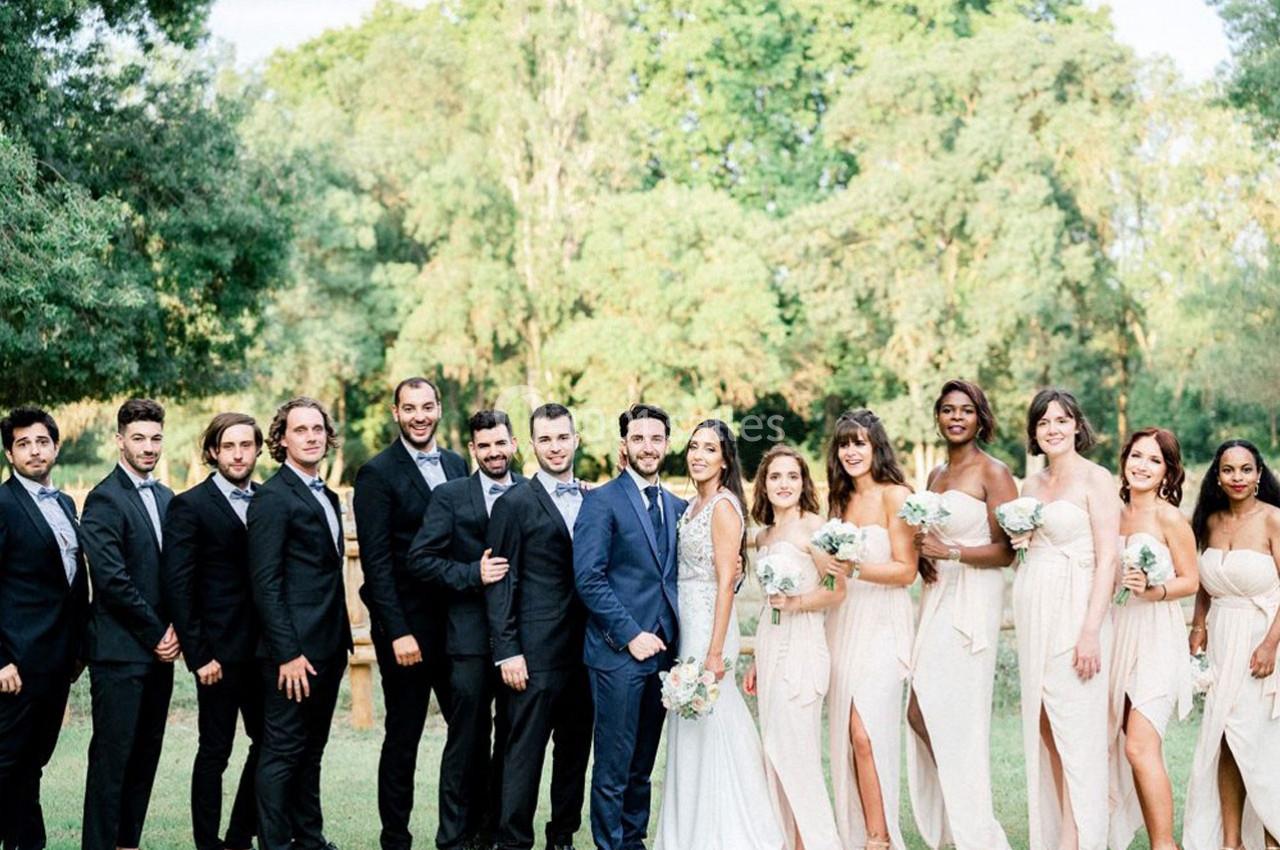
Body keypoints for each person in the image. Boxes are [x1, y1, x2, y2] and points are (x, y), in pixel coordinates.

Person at [653, 420, 782, 850]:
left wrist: (713, 652)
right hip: (687, 626)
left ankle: (728, 831)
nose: (698, 455)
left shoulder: (724, 506)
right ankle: (687, 830)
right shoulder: (691, 505)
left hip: (711, 627)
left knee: (712, 718)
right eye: (693, 447)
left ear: (725, 459)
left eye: (709, 449)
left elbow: (727, 581)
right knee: (690, 726)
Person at [353, 377, 468, 850]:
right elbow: (376, 562)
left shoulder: (458, 464)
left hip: (460, 627)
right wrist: (396, 631)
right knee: (404, 737)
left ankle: (461, 832)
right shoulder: (377, 473)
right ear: (395, 413)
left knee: (467, 733)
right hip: (408, 631)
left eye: (427, 406)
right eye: (409, 408)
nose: (419, 415)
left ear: (439, 408)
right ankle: (395, 837)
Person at [906, 379, 1016, 850]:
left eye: (965, 410)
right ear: (938, 417)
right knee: (919, 711)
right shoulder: (934, 477)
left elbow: (1008, 552)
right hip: (937, 597)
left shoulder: (994, 473)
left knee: (962, 718)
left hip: (974, 599)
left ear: (980, 418)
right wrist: (925, 554)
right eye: (948, 410)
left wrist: (950, 552)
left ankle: (975, 831)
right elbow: (927, 540)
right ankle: (960, 816)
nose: (956, 417)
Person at [407, 409, 523, 850]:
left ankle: (494, 832)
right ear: (472, 449)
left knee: (513, 742)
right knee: (466, 743)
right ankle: (454, 838)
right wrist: (472, 573)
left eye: (501, 443)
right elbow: (420, 560)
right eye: (484, 445)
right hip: (469, 640)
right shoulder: (451, 496)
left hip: (518, 644)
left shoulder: (532, 493)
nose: (494, 452)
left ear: (513, 444)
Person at [1009, 388, 1118, 850]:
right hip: (1036, 609)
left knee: (1079, 730)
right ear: (1035, 432)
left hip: (1078, 612)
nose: (1052, 429)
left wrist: (1090, 632)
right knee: (1047, 726)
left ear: (1077, 425)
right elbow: (1029, 550)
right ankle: (1063, 830)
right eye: (1043, 422)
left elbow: (1109, 559)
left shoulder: (1097, 479)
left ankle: (1083, 836)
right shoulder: (1029, 487)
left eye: (1061, 420)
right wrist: (1022, 542)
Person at [572, 403, 685, 850]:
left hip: (665, 656)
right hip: (617, 653)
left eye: (655, 439)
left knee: (642, 765)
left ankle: (633, 840)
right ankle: (609, 843)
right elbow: (589, 578)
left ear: (667, 445)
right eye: (638, 439)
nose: (647, 447)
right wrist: (631, 634)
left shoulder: (678, 505)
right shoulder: (600, 501)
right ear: (624, 446)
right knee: (613, 765)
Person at [485, 403, 592, 850]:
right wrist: (507, 650)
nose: (555, 447)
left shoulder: (594, 497)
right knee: (523, 756)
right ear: (531, 445)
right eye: (545, 439)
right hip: (533, 655)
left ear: (576, 440)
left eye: (562, 437)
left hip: (586, 653)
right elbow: (500, 582)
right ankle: (513, 840)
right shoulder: (513, 504)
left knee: (574, 755)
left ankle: (562, 836)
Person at [248, 397, 353, 850]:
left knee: (312, 751)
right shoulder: (272, 498)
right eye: (300, 430)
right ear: (282, 439)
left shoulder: (326, 494)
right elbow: (265, 584)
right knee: (282, 752)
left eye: (317, 429)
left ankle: (309, 838)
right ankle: (274, 843)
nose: (311, 437)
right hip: (291, 654)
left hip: (329, 647)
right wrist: (288, 654)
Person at [162, 412, 266, 850]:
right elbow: (179, 586)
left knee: (270, 745)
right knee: (215, 751)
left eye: (246, 445)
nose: (238, 454)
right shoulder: (190, 505)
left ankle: (241, 834)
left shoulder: (268, 498)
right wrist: (199, 653)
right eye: (229, 446)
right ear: (212, 452)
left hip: (265, 652)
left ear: (259, 450)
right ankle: (208, 842)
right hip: (217, 656)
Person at [81, 398, 179, 850]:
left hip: (161, 656)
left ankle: (128, 845)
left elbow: (176, 572)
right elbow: (112, 579)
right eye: (138, 438)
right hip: (120, 654)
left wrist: (177, 627)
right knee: (111, 763)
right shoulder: (104, 498)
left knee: (144, 759)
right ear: (119, 440)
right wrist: (157, 631)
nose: (148, 446)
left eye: (155, 438)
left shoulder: (165, 497)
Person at [822, 409, 919, 850]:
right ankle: (859, 829)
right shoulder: (839, 501)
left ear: (876, 446)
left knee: (867, 731)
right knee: (846, 732)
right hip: (842, 622)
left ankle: (879, 838)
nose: (851, 451)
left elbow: (906, 571)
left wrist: (855, 567)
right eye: (844, 444)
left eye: (860, 442)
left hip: (882, 624)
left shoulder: (895, 496)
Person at [743, 444, 843, 850]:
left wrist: (797, 602)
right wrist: (756, 660)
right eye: (775, 477)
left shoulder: (814, 527)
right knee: (775, 749)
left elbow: (837, 590)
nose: (784, 484)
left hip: (803, 645)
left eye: (792, 476)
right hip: (771, 644)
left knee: (798, 754)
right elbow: (771, 605)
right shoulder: (765, 535)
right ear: (764, 485)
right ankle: (791, 842)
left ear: (803, 484)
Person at [1183, 439, 1280, 850]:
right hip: (1223, 636)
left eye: (1245, 469)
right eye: (1228, 470)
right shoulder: (1209, 521)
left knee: (1258, 739)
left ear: (1259, 474)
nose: (1237, 477)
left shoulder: (1274, 519)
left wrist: (1270, 645)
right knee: (1224, 735)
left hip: (1264, 636)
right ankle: (1230, 841)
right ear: (1217, 476)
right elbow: (1206, 581)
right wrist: (1199, 624)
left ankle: (1275, 835)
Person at [0, 407, 89, 850]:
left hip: (57, 664)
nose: (35, 450)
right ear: (10, 454)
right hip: (15, 664)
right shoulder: (2, 505)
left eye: (41, 441)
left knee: (32, 764)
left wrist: (79, 651)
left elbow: (71, 583)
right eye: (23, 443)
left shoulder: (66, 503)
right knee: (6, 763)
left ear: (55, 446)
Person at [1107, 427, 1198, 850]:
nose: (1142, 466)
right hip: (1115, 634)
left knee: (1141, 747)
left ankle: (1165, 846)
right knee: (1119, 745)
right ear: (1125, 460)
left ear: (1168, 472)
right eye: (1136, 456)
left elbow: (1191, 581)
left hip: (1156, 638)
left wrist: (1153, 589)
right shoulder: (1110, 511)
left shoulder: (1168, 517)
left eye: (1154, 460)